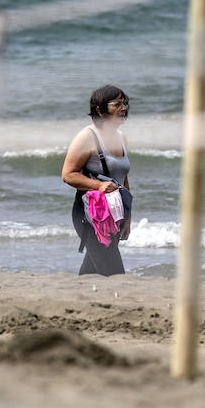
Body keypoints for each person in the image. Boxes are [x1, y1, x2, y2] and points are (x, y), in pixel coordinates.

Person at [61, 85, 132, 276]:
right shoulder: (87, 136)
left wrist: (127, 217)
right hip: (91, 215)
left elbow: (123, 178)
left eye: (124, 103)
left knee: (92, 272)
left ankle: (78, 302)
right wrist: (99, 185)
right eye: (117, 104)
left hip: (115, 214)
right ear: (100, 109)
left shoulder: (121, 137)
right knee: (114, 272)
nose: (123, 107)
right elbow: (68, 174)